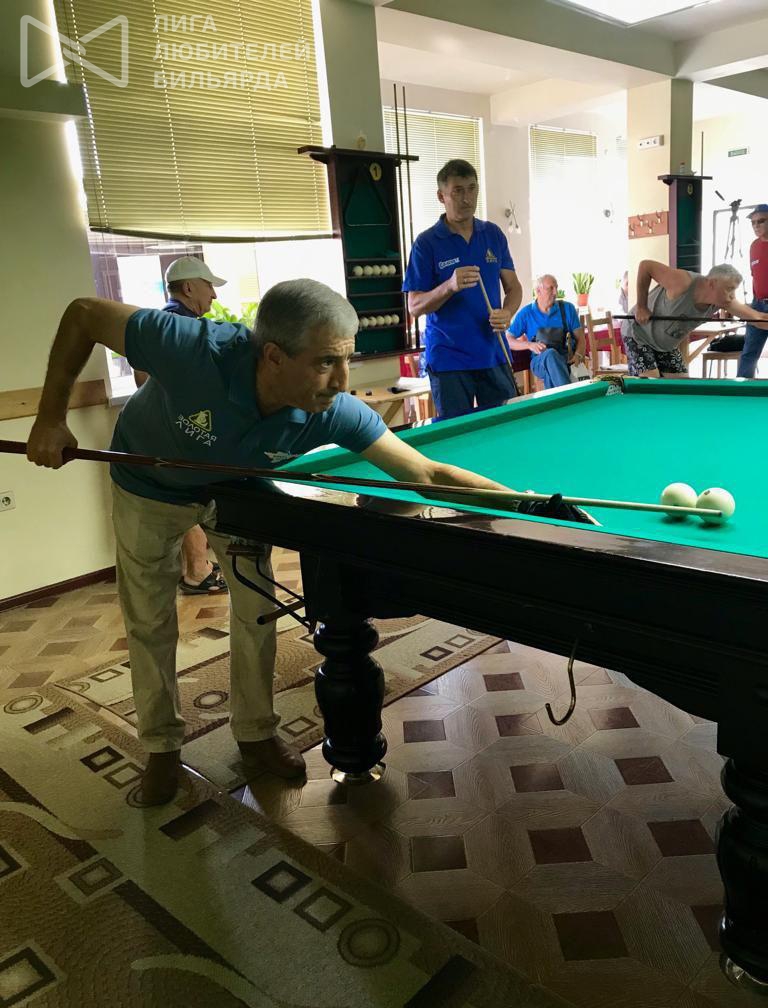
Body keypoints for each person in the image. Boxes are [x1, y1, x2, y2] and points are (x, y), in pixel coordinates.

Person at [25, 279, 517, 807]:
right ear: (274, 356)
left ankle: (256, 735)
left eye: (346, 359)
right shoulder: (192, 348)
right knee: (149, 621)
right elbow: (84, 312)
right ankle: (161, 747)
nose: (342, 381)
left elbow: (425, 473)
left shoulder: (333, 409)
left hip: (235, 491)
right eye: (326, 362)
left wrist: (526, 505)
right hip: (148, 485)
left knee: (257, 610)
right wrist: (50, 417)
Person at [134, 256, 230, 595]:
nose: (214, 295)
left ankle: (196, 569)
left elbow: (141, 378)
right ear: (189, 288)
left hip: (162, 431)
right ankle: (198, 572)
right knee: (194, 501)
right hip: (186, 433)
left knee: (184, 499)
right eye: (209, 287)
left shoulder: (156, 323)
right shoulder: (187, 328)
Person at [403, 159, 523, 419]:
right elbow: (414, 306)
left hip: (493, 352)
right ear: (441, 196)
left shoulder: (493, 234)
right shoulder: (426, 243)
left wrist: (507, 312)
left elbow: (514, 287)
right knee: (457, 432)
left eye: (471, 188)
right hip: (449, 360)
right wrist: (449, 286)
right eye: (458, 191)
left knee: (505, 427)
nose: (467, 198)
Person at [627, 261, 765, 377]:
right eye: (729, 289)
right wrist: (641, 306)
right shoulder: (683, 281)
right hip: (638, 333)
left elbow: (758, 318)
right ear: (712, 283)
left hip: (665, 345)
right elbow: (646, 266)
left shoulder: (724, 301)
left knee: (682, 387)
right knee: (651, 382)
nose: (732, 296)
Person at [506, 275, 587, 390]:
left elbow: (581, 339)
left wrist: (578, 355)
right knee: (550, 354)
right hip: (539, 362)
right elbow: (508, 340)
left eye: (556, 287)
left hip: (566, 358)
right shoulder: (526, 313)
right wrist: (529, 345)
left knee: (551, 373)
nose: (555, 292)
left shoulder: (568, 308)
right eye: (551, 288)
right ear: (538, 291)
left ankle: (561, 399)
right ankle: (569, 393)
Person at [736, 204, 768, 378]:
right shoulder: (754, 246)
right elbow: (755, 276)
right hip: (757, 305)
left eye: (761, 221)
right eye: (753, 222)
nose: (756, 226)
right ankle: (741, 390)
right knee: (749, 353)